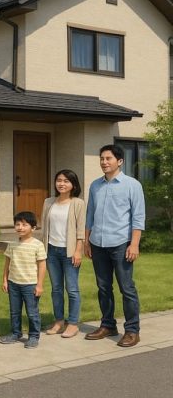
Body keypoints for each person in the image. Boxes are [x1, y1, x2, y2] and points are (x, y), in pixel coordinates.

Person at [85, 144, 145, 347]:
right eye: (102, 158)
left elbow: (138, 217)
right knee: (103, 287)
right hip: (98, 243)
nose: (104, 162)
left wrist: (134, 244)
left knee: (126, 288)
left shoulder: (132, 185)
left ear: (119, 161)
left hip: (121, 243)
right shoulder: (95, 185)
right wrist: (87, 241)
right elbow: (90, 215)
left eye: (108, 158)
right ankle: (108, 325)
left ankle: (132, 330)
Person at [41, 170, 86, 339]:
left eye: (66, 181)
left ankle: (73, 324)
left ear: (73, 184)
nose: (61, 184)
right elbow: (44, 229)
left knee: (72, 289)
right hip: (51, 251)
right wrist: (42, 251)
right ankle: (59, 321)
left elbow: (80, 231)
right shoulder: (48, 202)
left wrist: (78, 251)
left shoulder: (78, 203)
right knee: (56, 289)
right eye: (59, 180)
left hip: (69, 253)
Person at [0, 211, 47, 349]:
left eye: (24, 225)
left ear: (33, 228)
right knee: (14, 311)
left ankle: (33, 336)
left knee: (32, 312)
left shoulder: (37, 245)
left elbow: (42, 265)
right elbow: (7, 263)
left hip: (30, 285)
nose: (20, 227)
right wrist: (5, 280)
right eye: (17, 224)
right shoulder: (12, 244)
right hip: (14, 283)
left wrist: (39, 285)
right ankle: (15, 333)